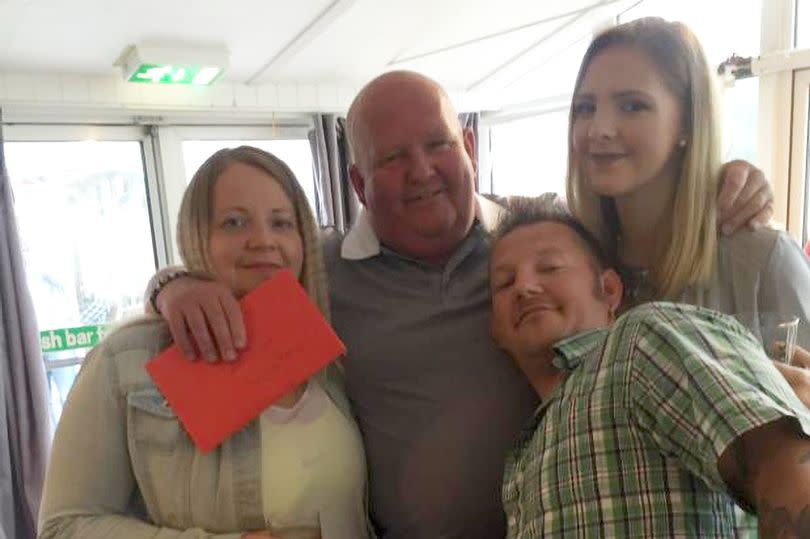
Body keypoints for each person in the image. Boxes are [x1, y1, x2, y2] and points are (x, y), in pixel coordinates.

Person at [148, 71, 776, 538]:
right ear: (360, 183)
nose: (421, 170)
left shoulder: (535, 242)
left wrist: (723, 178)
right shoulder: (320, 275)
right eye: (392, 157)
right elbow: (249, 261)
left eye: (438, 144)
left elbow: (642, 218)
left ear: (469, 145)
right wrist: (175, 284)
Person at [38, 146, 372, 539]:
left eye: (281, 223)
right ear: (196, 235)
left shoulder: (327, 350)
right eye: (234, 223)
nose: (263, 240)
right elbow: (62, 527)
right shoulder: (127, 361)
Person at [489, 196, 810, 538]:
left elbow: (788, 471)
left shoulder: (644, 339)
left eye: (550, 267)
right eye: (504, 282)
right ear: (495, 330)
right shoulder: (521, 457)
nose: (523, 287)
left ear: (609, 290)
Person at [565, 17, 810, 354]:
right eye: (585, 108)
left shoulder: (762, 262)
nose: (599, 129)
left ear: (687, 123)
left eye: (633, 106)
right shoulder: (571, 266)